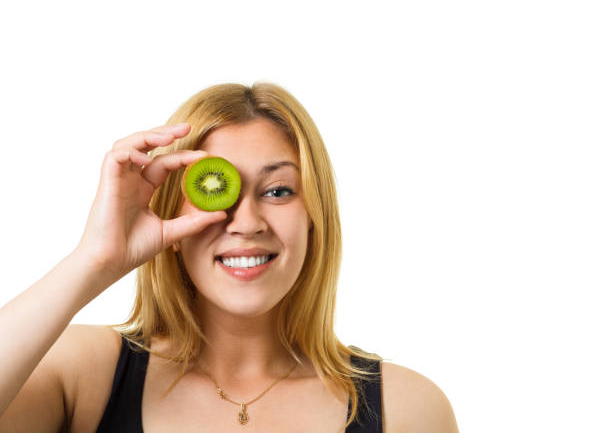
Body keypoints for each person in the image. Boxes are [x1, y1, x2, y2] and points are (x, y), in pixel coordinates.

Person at [0, 82, 459, 432]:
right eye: (217, 191)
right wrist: (93, 260)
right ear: (170, 223)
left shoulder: (408, 408)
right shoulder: (86, 374)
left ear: (314, 218)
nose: (246, 222)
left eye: (278, 191)